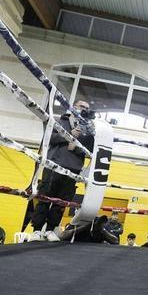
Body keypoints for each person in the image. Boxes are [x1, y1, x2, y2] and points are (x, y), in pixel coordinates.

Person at [29, 100, 95, 242]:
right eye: (82, 107)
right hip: (55, 163)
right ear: (73, 107)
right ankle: (36, 230)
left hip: (74, 167)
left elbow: (91, 148)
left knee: (62, 201)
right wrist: (68, 135)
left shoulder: (88, 129)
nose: (84, 110)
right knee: (45, 196)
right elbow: (49, 138)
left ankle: (51, 229)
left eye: (87, 108)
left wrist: (89, 135)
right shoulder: (59, 121)